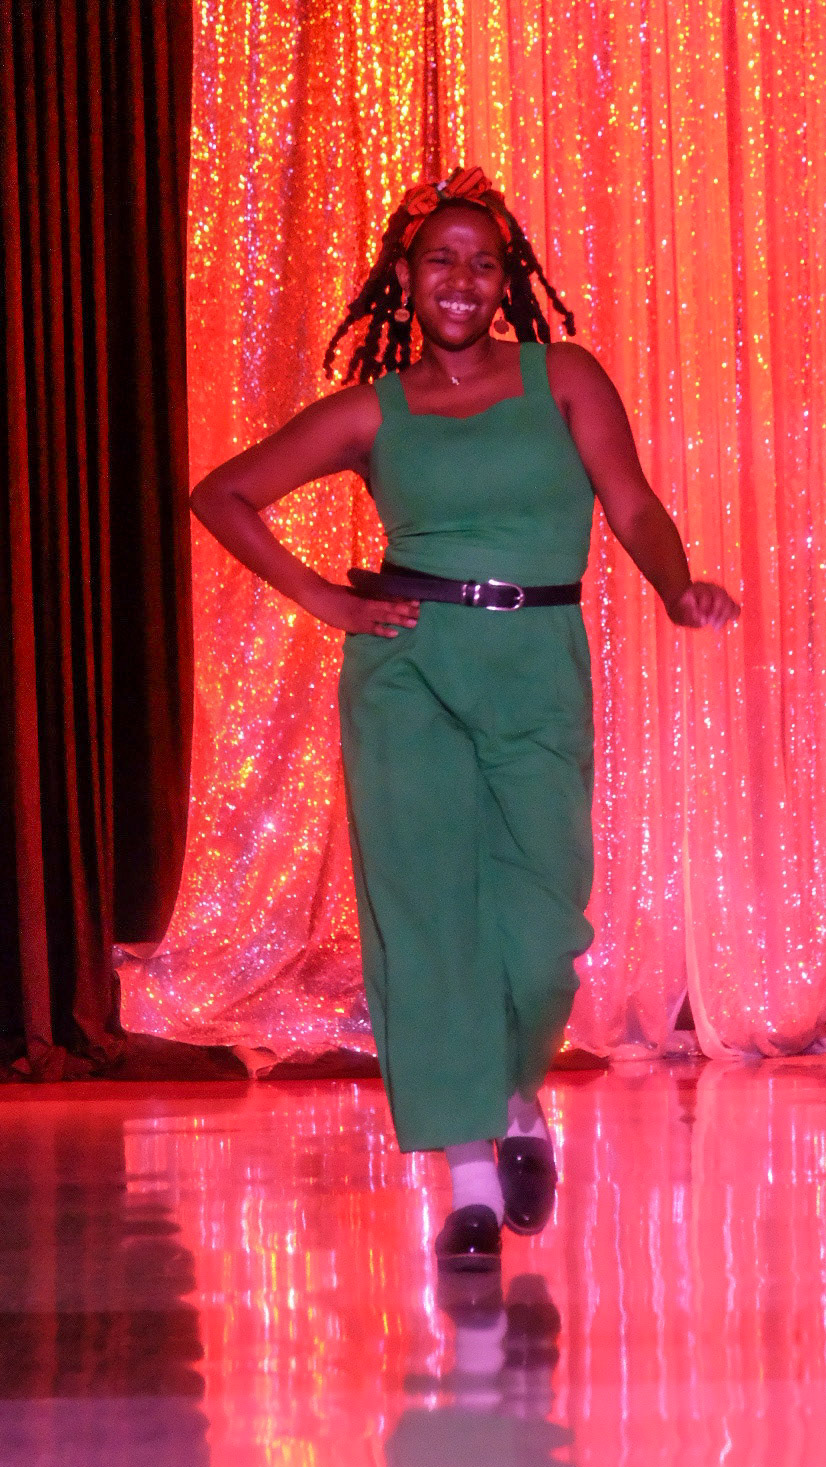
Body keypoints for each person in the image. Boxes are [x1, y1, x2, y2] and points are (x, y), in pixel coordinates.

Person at [190, 166, 738, 1273]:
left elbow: (631, 502)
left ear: (505, 282)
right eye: (439, 259)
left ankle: (515, 1097)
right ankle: (470, 1183)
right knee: (429, 923)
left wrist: (677, 586)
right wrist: (326, 599)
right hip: (410, 672)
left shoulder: (563, 377)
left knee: (540, 934)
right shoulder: (372, 410)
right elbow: (222, 493)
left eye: (481, 263)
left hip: (536, 664)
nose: (460, 278)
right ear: (405, 276)